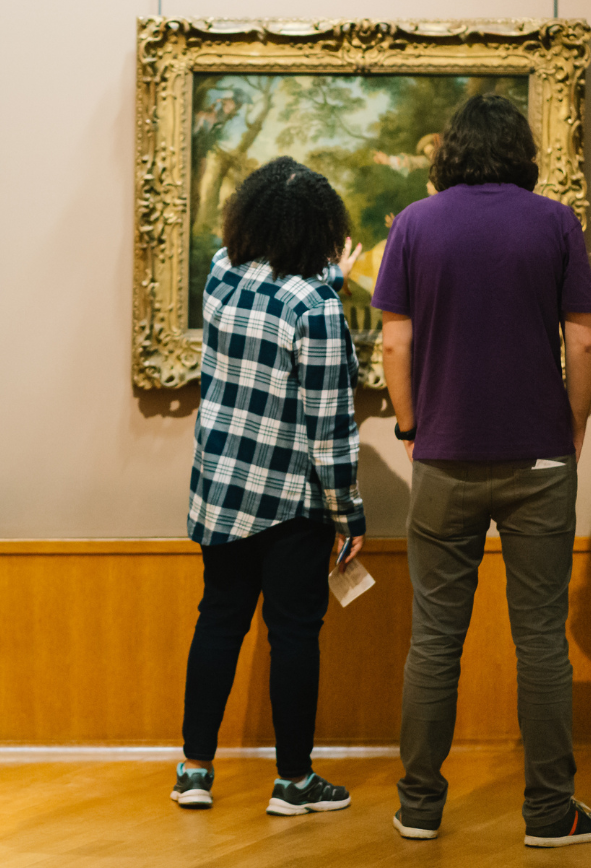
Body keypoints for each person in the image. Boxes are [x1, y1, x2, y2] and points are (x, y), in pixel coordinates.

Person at [371, 93, 591, 847]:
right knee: (541, 637)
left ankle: (418, 806)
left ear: (448, 152)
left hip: (443, 456)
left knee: (435, 638)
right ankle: (549, 814)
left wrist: (412, 428)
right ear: (521, 149)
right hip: (540, 454)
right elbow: (580, 343)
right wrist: (573, 425)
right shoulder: (553, 221)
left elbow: (393, 347)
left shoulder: (414, 224)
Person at [172, 156, 365, 816]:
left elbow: (272, 296)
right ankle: (293, 782)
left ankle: (194, 770)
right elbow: (331, 425)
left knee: (219, 620)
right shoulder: (318, 308)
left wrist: (330, 279)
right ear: (322, 229)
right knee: (294, 636)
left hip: (221, 486)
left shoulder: (221, 277)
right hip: (288, 501)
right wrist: (349, 516)